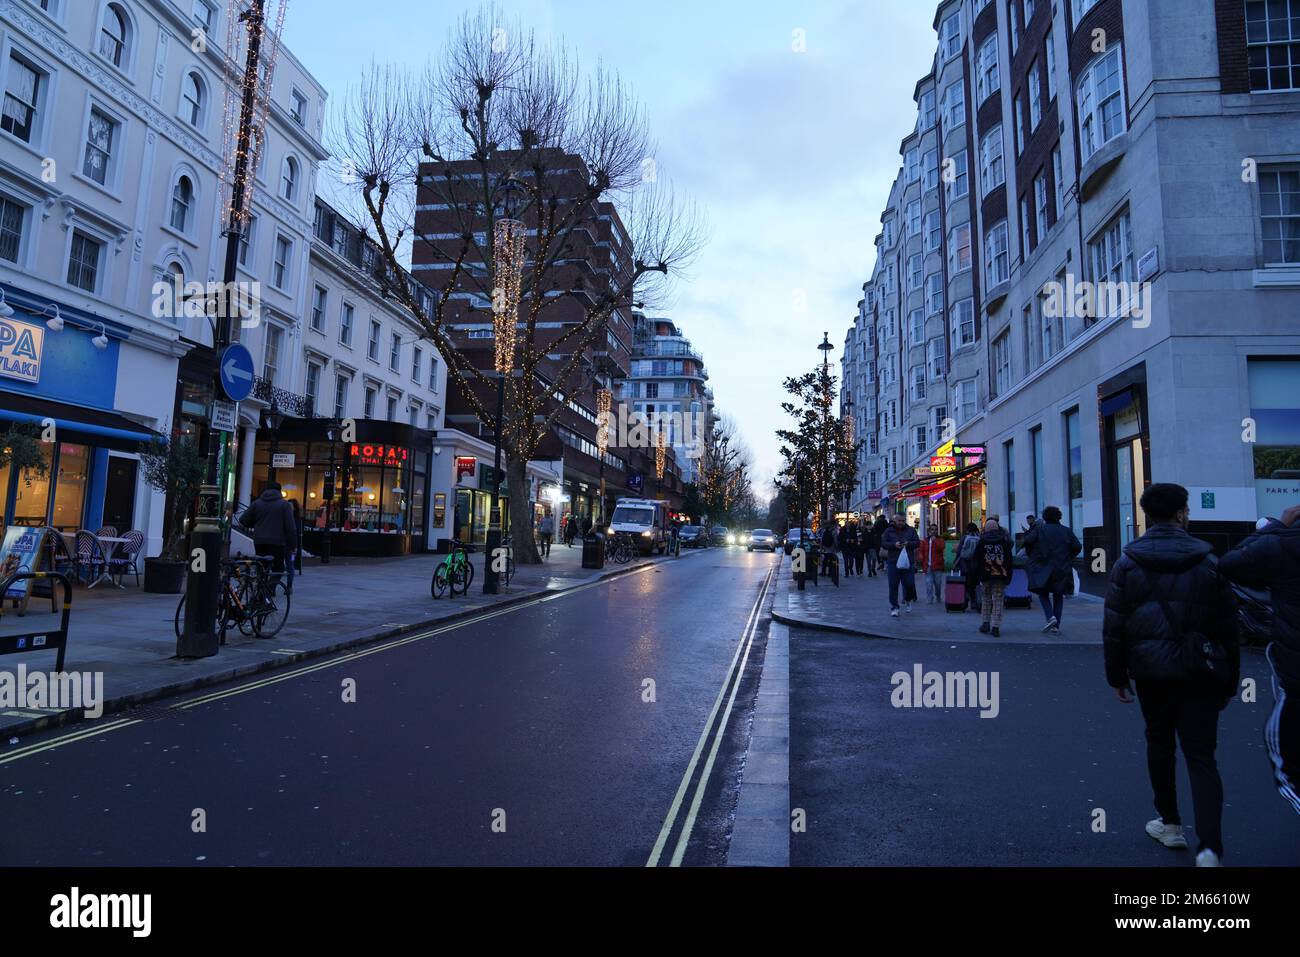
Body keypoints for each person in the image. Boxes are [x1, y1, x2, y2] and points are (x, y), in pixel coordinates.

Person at [1103, 483, 1239, 867]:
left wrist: (1117, 676)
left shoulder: (1127, 562)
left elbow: (1114, 626)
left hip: (1151, 671)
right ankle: (1210, 848)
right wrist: (1229, 682)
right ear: (1181, 514)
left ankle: (1170, 823)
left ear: (1147, 515)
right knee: (1201, 756)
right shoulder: (1210, 561)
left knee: (1159, 743)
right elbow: (1228, 629)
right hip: (1199, 672)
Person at [1219, 502, 1300, 818]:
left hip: (1294, 668)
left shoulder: (1283, 543)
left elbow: (1230, 564)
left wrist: (1278, 525)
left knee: (1285, 759)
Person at [1024, 506, 1082, 635]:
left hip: (1043, 566)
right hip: (1062, 566)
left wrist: (1033, 554)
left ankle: (1050, 616)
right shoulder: (1066, 531)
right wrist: (1068, 557)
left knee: (1042, 592)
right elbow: (1077, 546)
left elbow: (1028, 541)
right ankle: (1056, 625)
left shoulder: (1040, 530)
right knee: (1058, 595)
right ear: (1059, 516)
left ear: (1045, 517)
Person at [239, 482, 297, 583]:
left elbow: (243, 520)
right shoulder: (284, 504)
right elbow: (290, 528)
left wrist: (257, 524)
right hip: (277, 542)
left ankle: (261, 590)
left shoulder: (257, 503)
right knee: (278, 568)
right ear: (279, 491)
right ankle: (270, 589)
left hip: (260, 541)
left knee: (261, 566)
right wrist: (293, 545)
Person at [974, 518, 1013, 636]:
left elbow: (977, 560)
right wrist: (1009, 576)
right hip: (1000, 575)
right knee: (998, 600)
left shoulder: (982, 541)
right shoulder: (1004, 541)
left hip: (985, 575)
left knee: (986, 598)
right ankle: (996, 625)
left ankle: (985, 622)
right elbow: (1009, 560)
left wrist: (978, 575)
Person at [881, 513, 920, 617]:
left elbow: (917, 542)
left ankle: (908, 599)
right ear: (895, 520)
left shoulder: (911, 530)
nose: (901, 523)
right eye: (899, 521)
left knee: (909, 584)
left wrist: (908, 543)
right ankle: (894, 607)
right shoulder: (889, 531)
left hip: (908, 562)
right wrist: (894, 545)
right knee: (893, 585)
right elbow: (884, 543)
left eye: (903, 520)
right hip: (893, 562)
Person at [957, 522, 982, 611]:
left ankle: (965, 600)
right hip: (976, 565)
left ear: (967, 529)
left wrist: (956, 561)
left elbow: (959, 550)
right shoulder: (979, 538)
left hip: (965, 565)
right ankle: (975, 601)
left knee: (965, 583)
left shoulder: (964, 538)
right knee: (976, 583)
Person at [920, 523, 946, 603]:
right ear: (929, 531)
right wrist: (921, 557)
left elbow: (941, 547)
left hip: (937, 565)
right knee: (929, 583)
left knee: (938, 583)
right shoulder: (925, 540)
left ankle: (938, 596)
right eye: (932, 529)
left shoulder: (940, 540)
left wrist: (935, 541)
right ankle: (929, 598)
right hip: (928, 565)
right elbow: (921, 551)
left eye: (935, 530)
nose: (934, 531)